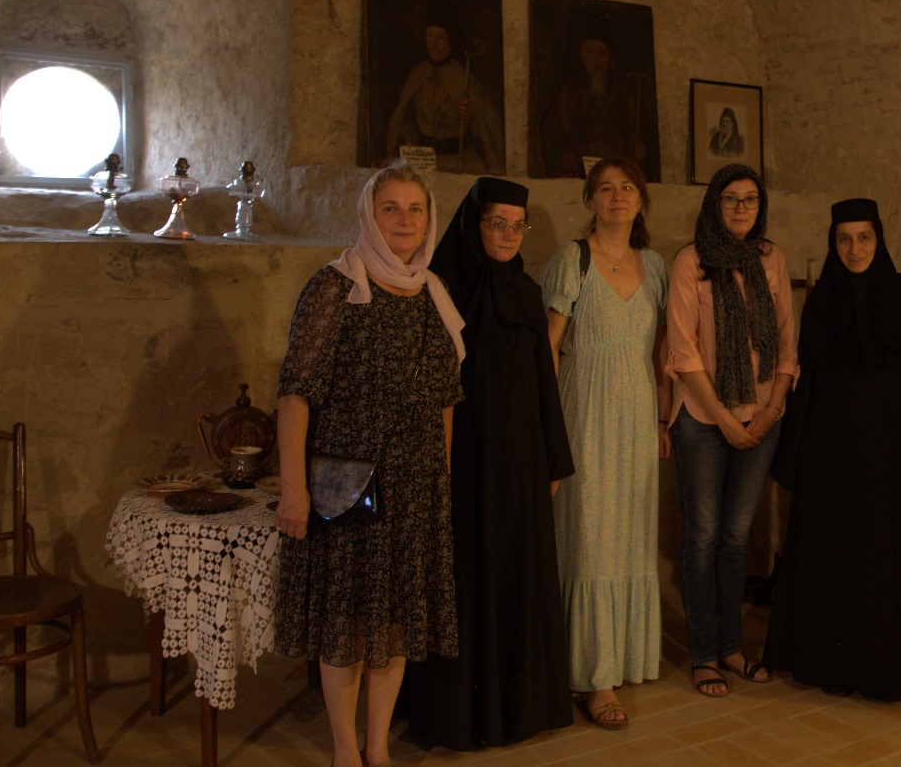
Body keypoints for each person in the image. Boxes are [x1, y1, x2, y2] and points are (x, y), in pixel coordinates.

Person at [273, 162, 468, 767]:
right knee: (349, 628)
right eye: (391, 208)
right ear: (368, 214)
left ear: (429, 219)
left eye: (415, 209)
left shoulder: (433, 293)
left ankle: (377, 748)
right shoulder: (333, 288)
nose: (404, 221)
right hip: (350, 487)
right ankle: (343, 751)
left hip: (414, 488)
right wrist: (293, 488)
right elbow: (295, 394)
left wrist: (442, 481)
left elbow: (445, 400)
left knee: (395, 627)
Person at [402, 176, 575, 748]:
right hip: (462, 459)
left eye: (516, 225)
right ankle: (460, 713)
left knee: (516, 571)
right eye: (496, 223)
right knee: (464, 573)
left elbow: (543, 378)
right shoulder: (440, 289)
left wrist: (553, 459)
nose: (507, 235)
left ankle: (518, 709)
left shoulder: (525, 291)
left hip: (521, 459)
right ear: (473, 225)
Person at [762, 198, 901, 701]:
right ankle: (827, 661)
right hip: (830, 453)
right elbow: (810, 380)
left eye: (863, 238)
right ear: (832, 243)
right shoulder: (823, 302)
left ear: (878, 240)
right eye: (844, 239)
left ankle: (879, 666)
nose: (854, 249)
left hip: (888, 452)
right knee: (831, 552)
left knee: (880, 553)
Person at [541, 158, 670, 730]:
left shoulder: (657, 266)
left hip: (637, 416)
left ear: (641, 200)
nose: (618, 197)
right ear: (589, 199)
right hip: (584, 412)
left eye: (628, 187)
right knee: (589, 539)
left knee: (630, 538)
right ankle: (593, 677)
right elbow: (549, 347)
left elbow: (661, 349)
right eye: (606, 189)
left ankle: (621, 658)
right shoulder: (571, 260)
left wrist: (663, 418)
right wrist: (548, 428)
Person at [664, 163, 798, 697]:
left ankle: (732, 647)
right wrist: (725, 418)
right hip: (703, 420)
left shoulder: (772, 259)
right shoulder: (691, 261)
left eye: (750, 199)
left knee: (737, 538)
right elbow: (683, 351)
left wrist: (772, 410)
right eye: (730, 199)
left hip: (762, 417)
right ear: (713, 205)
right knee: (703, 536)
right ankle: (704, 654)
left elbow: (787, 341)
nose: (741, 208)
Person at [386, 21, 506, 173]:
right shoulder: (418, 73)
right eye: (429, 35)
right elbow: (405, 118)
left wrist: (471, 117)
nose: (433, 43)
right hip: (422, 160)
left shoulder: (463, 77)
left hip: (458, 159)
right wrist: (410, 140)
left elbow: (487, 127)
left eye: (440, 37)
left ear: (450, 41)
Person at [540, 32, 649, 177]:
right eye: (589, 53)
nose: (596, 61)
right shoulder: (569, 90)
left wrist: (640, 149)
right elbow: (552, 134)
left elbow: (641, 133)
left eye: (601, 53)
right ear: (580, 56)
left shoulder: (623, 92)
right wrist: (563, 154)